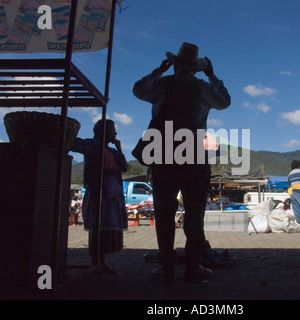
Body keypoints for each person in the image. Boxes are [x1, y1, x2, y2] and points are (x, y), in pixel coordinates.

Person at [133, 42, 231, 282]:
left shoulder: (161, 84)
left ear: (174, 65)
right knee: (194, 214)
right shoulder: (202, 87)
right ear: (196, 69)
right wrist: (212, 75)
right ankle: (193, 268)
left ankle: (167, 268)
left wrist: (159, 70)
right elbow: (225, 101)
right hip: (193, 155)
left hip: (163, 155)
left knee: (165, 213)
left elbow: (137, 89)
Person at [71, 119, 128, 275]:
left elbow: (124, 167)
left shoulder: (113, 151)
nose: (115, 133)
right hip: (99, 191)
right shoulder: (93, 145)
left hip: (111, 193)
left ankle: (101, 261)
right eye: (112, 130)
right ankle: (97, 261)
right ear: (102, 131)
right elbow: (76, 144)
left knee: (106, 226)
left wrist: (119, 148)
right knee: (99, 226)